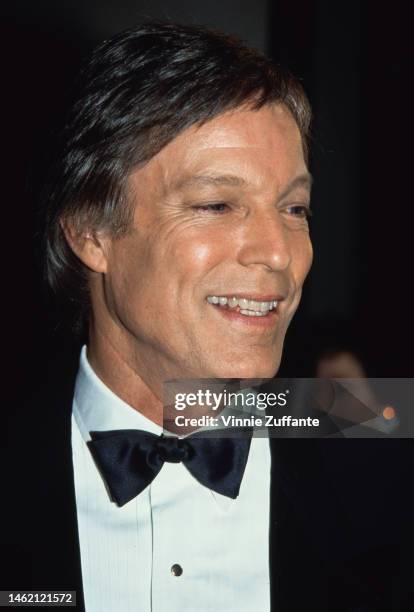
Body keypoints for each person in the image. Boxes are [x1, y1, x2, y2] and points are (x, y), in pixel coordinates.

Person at [6, 21, 414, 612]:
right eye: (216, 204)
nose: (279, 253)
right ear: (91, 231)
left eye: (295, 207)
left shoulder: (376, 449)